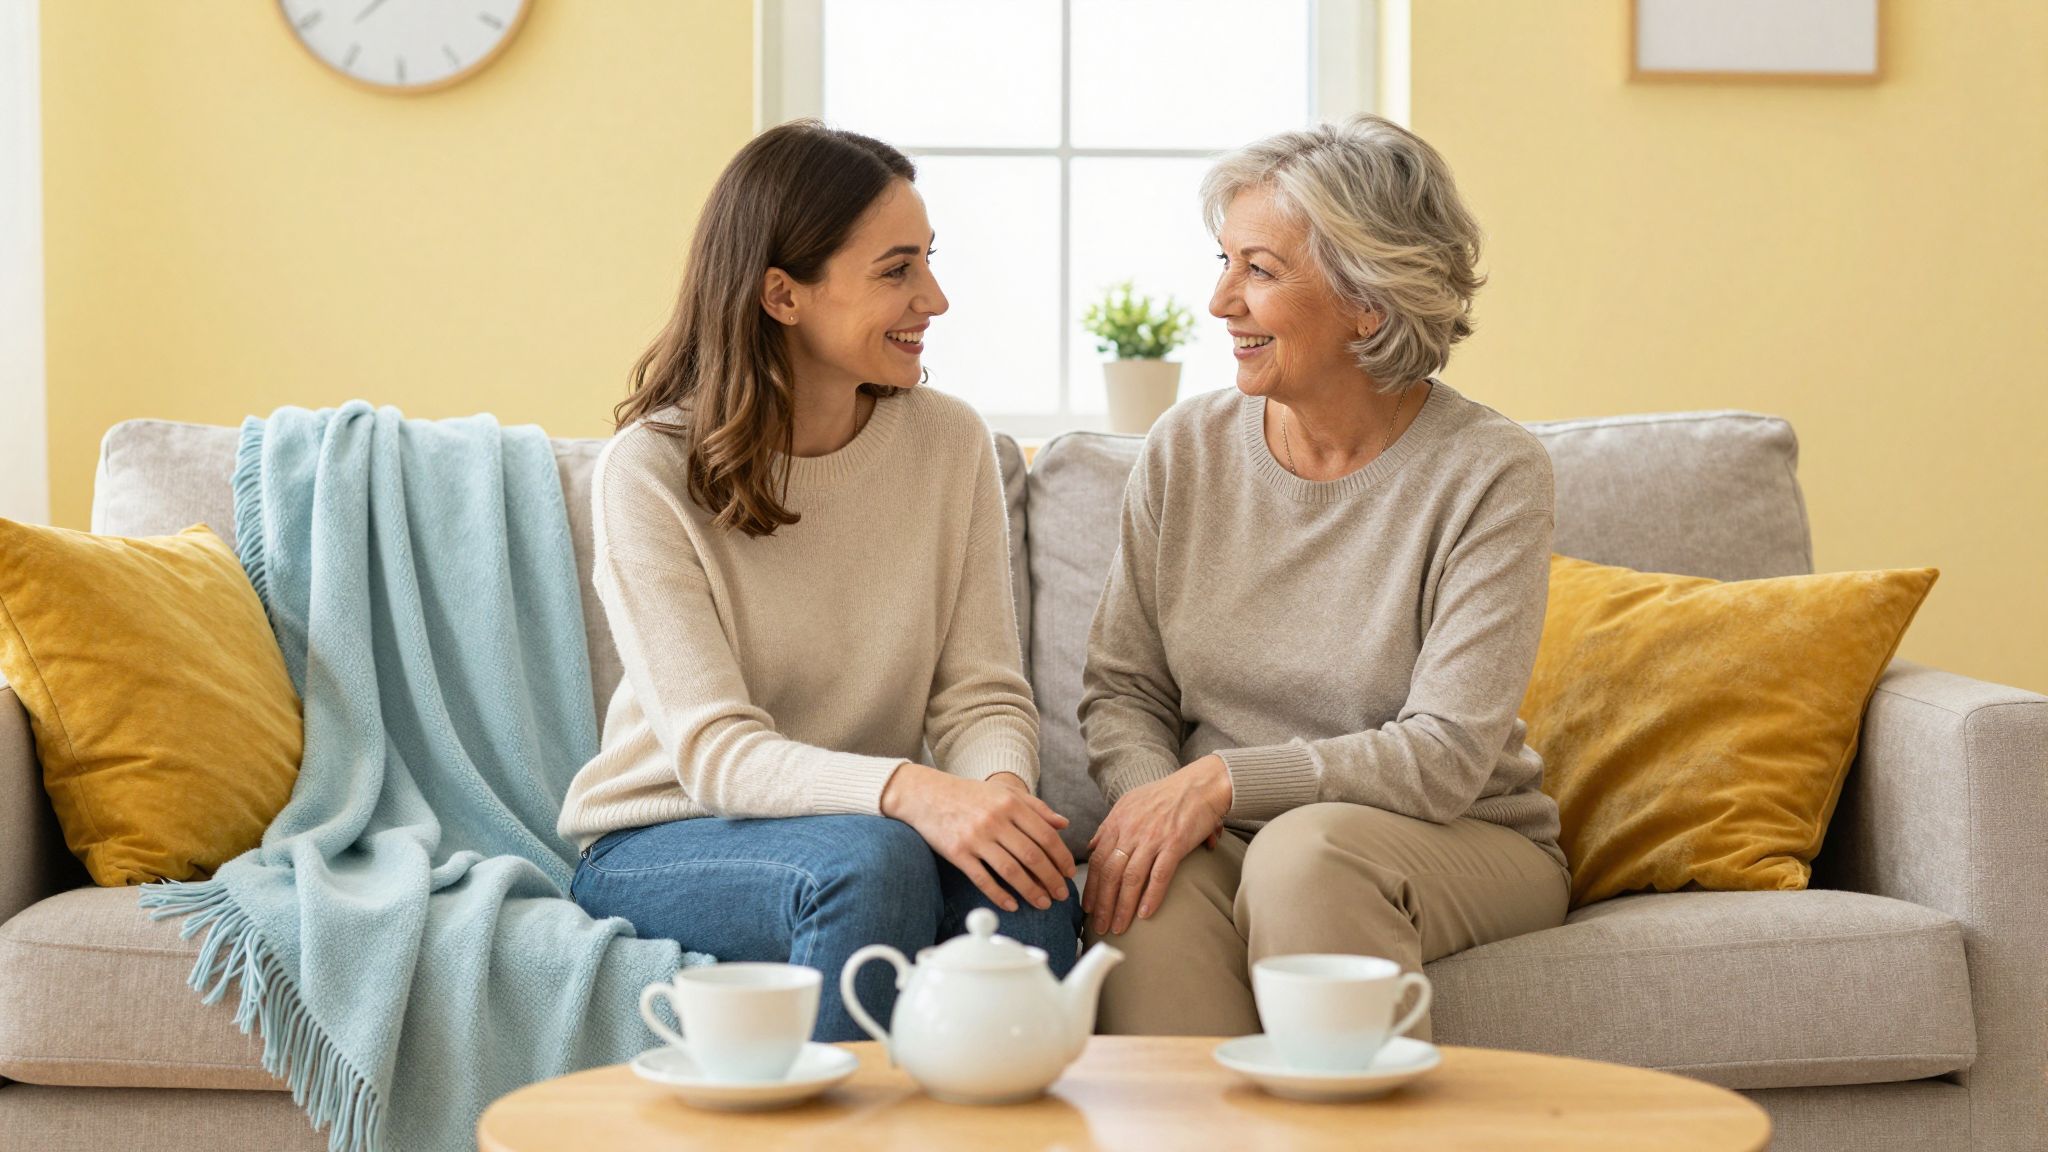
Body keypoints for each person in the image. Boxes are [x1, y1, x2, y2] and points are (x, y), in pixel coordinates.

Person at [560, 121, 1080, 1042]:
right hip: (666, 836)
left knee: (1025, 882)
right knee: (870, 863)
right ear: (783, 294)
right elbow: (715, 751)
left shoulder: (949, 442)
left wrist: (998, 803)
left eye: (928, 261)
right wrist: (915, 792)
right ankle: (839, 1121)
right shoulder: (649, 472)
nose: (935, 299)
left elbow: (980, 695)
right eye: (896, 270)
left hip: (868, 827)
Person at [1079, 114, 1571, 1037]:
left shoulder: (1489, 470)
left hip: (1449, 837)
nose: (1220, 301)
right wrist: (1158, 804)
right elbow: (1123, 690)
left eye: (1259, 270)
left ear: (1368, 300)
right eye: (1223, 262)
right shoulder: (1186, 448)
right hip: (1228, 838)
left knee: (1305, 857)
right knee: (1147, 893)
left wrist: (1222, 781)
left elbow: (1444, 757)